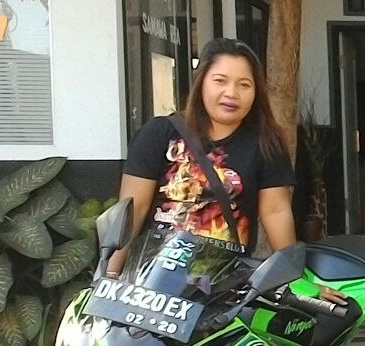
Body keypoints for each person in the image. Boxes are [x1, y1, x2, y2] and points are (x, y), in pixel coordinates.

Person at [114, 38, 298, 271]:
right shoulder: (158, 133)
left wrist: (294, 277)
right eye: (220, 81)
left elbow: (276, 212)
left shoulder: (266, 143)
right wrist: (109, 274)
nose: (231, 93)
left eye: (244, 85)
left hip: (224, 281)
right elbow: (133, 210)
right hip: (151, 278)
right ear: (201, 82)